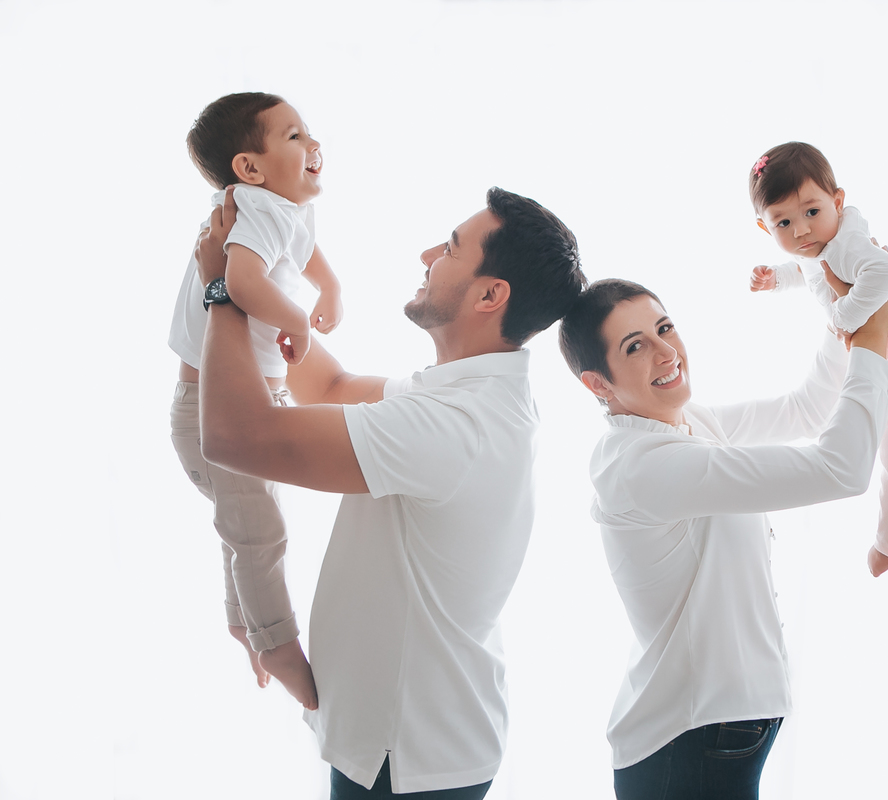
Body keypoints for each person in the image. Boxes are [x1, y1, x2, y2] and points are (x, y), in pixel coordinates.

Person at [193, 186, 586, 799]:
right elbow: (331, 386)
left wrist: (221, 288)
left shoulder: (455, 425)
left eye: (450, 247)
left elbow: (234, 435)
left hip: (407, 757)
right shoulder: (466, 396)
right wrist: (257, 280)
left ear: (490, 295)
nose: (428, 254)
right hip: (417, 740)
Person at [558, 276, 888, 799]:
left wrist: (845, 313)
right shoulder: (643, 466)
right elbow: (840, 469)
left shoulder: (683, 425)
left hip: (711, 730)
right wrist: (872, 337)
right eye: (635, 346)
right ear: (597, 383)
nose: (667, 352)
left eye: (664, 328)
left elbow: (806, 410)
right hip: (687, 744)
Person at [168, 92, 342, 709]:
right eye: (294, 136)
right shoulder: (259, 208)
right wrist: (296, 318)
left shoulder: (280, 206)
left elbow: (303, 246)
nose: (314, 145)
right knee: (259, 533)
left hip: (224, 403)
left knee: (244, 526)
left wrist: (329, 284)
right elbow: (239, 281)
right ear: (249, 168)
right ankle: (277, 644)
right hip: (216, 411)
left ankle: (244, 622)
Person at [747, 142, 888, 576]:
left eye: (812, 212)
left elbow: (887, 271)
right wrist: (777, 279)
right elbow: (808, 270)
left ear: (837, 201)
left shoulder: (845, 243)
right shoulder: (817, 247)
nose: (801, 231)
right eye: (784, 223)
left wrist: (842, 317)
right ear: (764, 227)